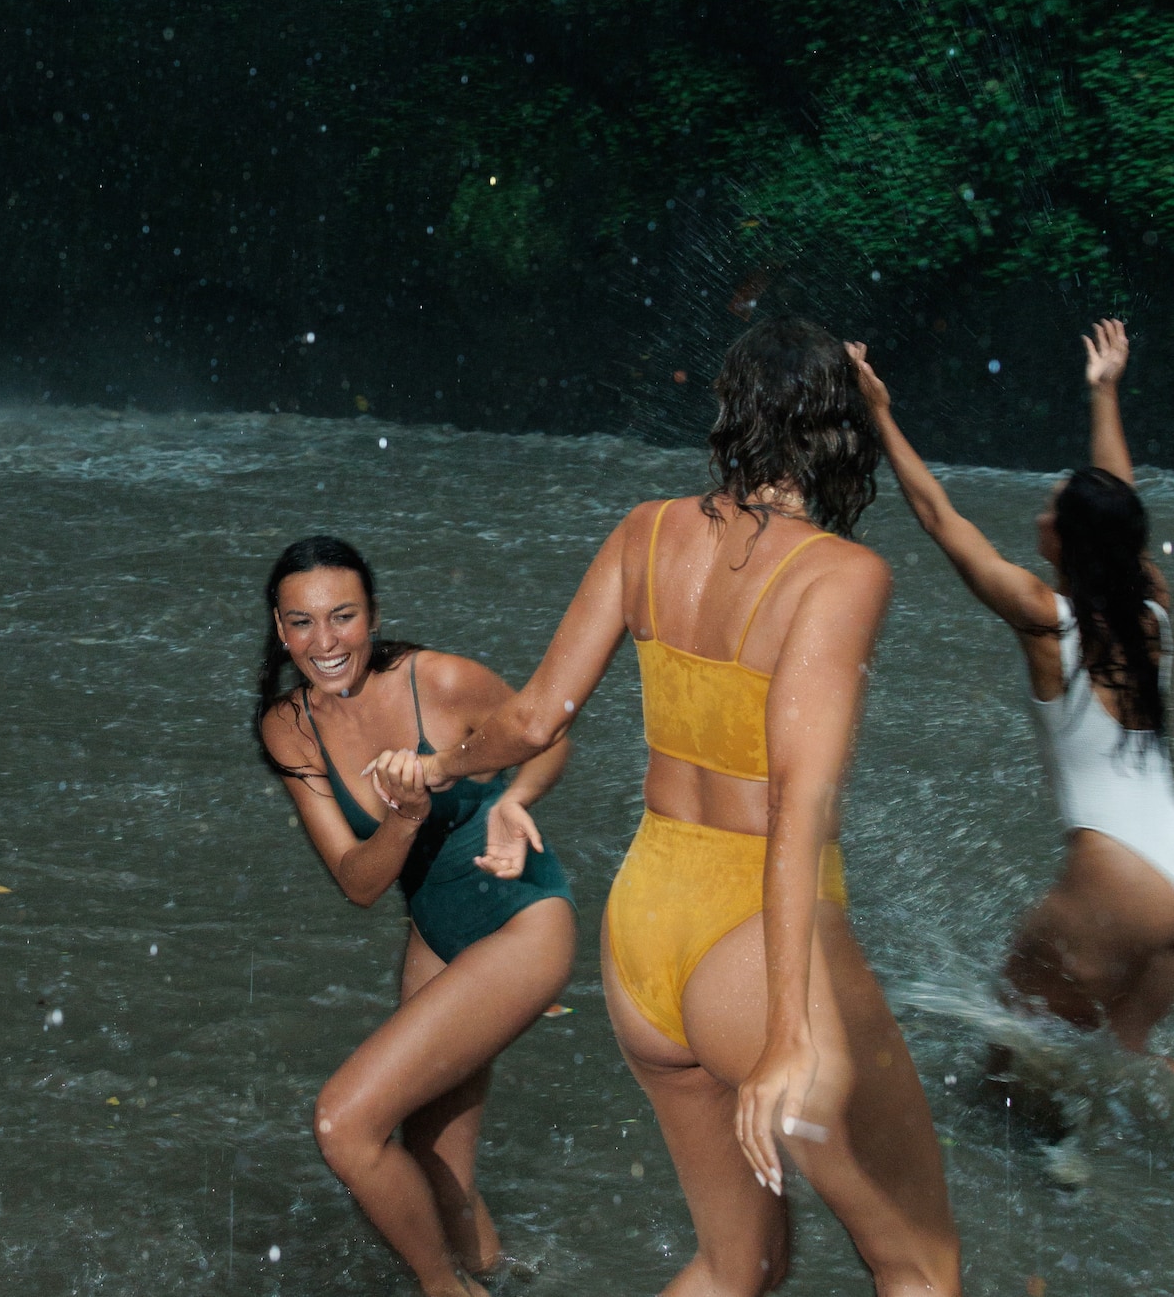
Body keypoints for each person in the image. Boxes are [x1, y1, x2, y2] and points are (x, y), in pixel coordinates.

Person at [369, 317, 961, 1297]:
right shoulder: (842, 574)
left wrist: (433, 768)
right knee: (919, 1264)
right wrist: (786, 1035)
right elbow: (797, 804)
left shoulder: (645, 532)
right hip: (754, 941)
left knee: (738, 1269)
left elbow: (528, 716)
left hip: (644, 926)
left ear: (733, 416)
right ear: (840, 434)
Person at [255, 535, 576, 1297]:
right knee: (429, 1151)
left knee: (344, 1123)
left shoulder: (437, 679)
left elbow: (545, 731)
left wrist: (516, 801)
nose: (324, 642)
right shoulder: (288, 728)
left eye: (342, 616)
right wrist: (401, 820)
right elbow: (358, 883)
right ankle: (496, 1277)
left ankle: (444, 1289)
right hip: (435, 928)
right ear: (278, 628)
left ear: (372, 616)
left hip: (522, 916)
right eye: (301, 622)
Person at [852, 320, 1174, 1057]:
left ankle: (1056, 1168)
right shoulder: (1150, 612)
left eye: (1049, 509)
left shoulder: (1044, 621)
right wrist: (1103, 393)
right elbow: (1116, 502)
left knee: (1008, 1057)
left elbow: (938, 515)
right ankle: (1077, 1170)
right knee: (1114, 1070)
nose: (1037, 515)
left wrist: (878, 412)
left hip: (1114, 885)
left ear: (1066, 538)